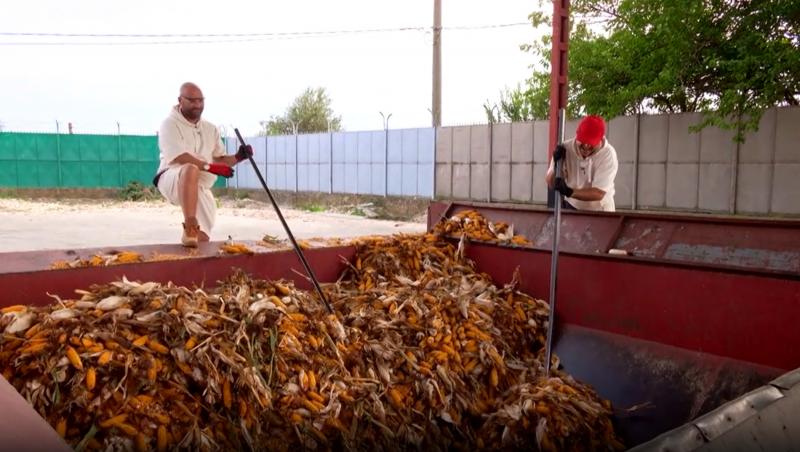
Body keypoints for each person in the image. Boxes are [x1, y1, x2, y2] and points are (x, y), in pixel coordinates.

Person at [153, 82, 253, 247]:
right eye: (192, 100)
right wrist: (210, 167)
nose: (197, 105)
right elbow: (180, 157)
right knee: (190, 169)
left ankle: (192, 250)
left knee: (201, 240)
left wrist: (238, 157)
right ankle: (189, 226)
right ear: (180, 100)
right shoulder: (169, 124)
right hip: (172, 178)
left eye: (200, 100)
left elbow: (218, 160)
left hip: (198, 187)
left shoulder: (210, 129)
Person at [545, 115, 618, 211]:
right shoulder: (565, 149)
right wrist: (556, 165)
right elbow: (550, 182)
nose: (586, 146)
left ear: (600, 140)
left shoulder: (608, 154)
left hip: (600, 210)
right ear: (577, 135)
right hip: (571, 206)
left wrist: (569, 192)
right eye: (583, 141)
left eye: (591, 143)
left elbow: (598, 193)